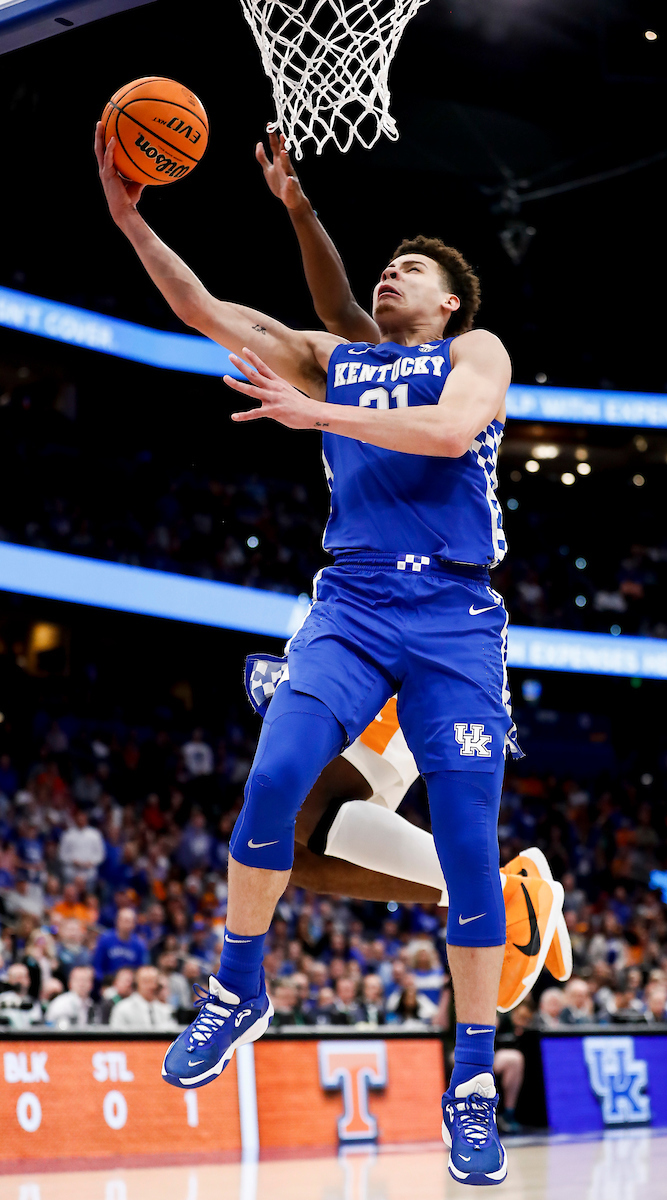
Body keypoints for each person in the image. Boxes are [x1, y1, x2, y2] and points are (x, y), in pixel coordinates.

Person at [95, 128, 558, 1190]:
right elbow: (210, 310)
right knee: (268, 784)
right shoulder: (333, 353)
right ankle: (236, 986)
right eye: (384, 261)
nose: (395, 270)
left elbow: (447, 435)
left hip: (451, 614)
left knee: (464, 844)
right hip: (350, 601)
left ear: (449, 305)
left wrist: (310, 411)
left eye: (417, 268)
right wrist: (132, 221)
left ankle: (472, 1084)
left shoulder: (470, 357)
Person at [93, 906, 149, 984]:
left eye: (131, 921)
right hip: (107, 983)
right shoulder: (105, 939)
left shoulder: (139, 944)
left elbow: (140, 970)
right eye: (125, 921)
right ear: (117, 921)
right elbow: (97, 966)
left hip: (130, 985)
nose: (128, 924)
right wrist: (105, 984)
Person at [110, 966, 177, 1030]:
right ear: (137, 983)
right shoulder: (122, 1008)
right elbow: (116, 1037)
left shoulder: (166, 1010)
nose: (151, 986)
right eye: (146, 981)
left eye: (154, 981)